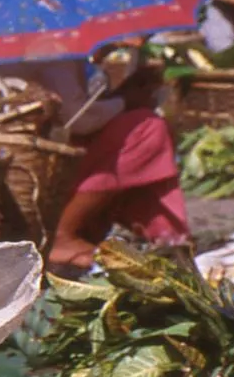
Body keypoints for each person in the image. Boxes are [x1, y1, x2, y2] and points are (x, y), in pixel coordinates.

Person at [46, 48, 191, 274]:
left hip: (58, 136)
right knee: (147, 128)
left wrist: (122, 92)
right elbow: (79, 119)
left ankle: (163, 237)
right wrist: (125, 101)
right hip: (50, 142)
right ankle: (62, 234)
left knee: (138, 123)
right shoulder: (53, 51)